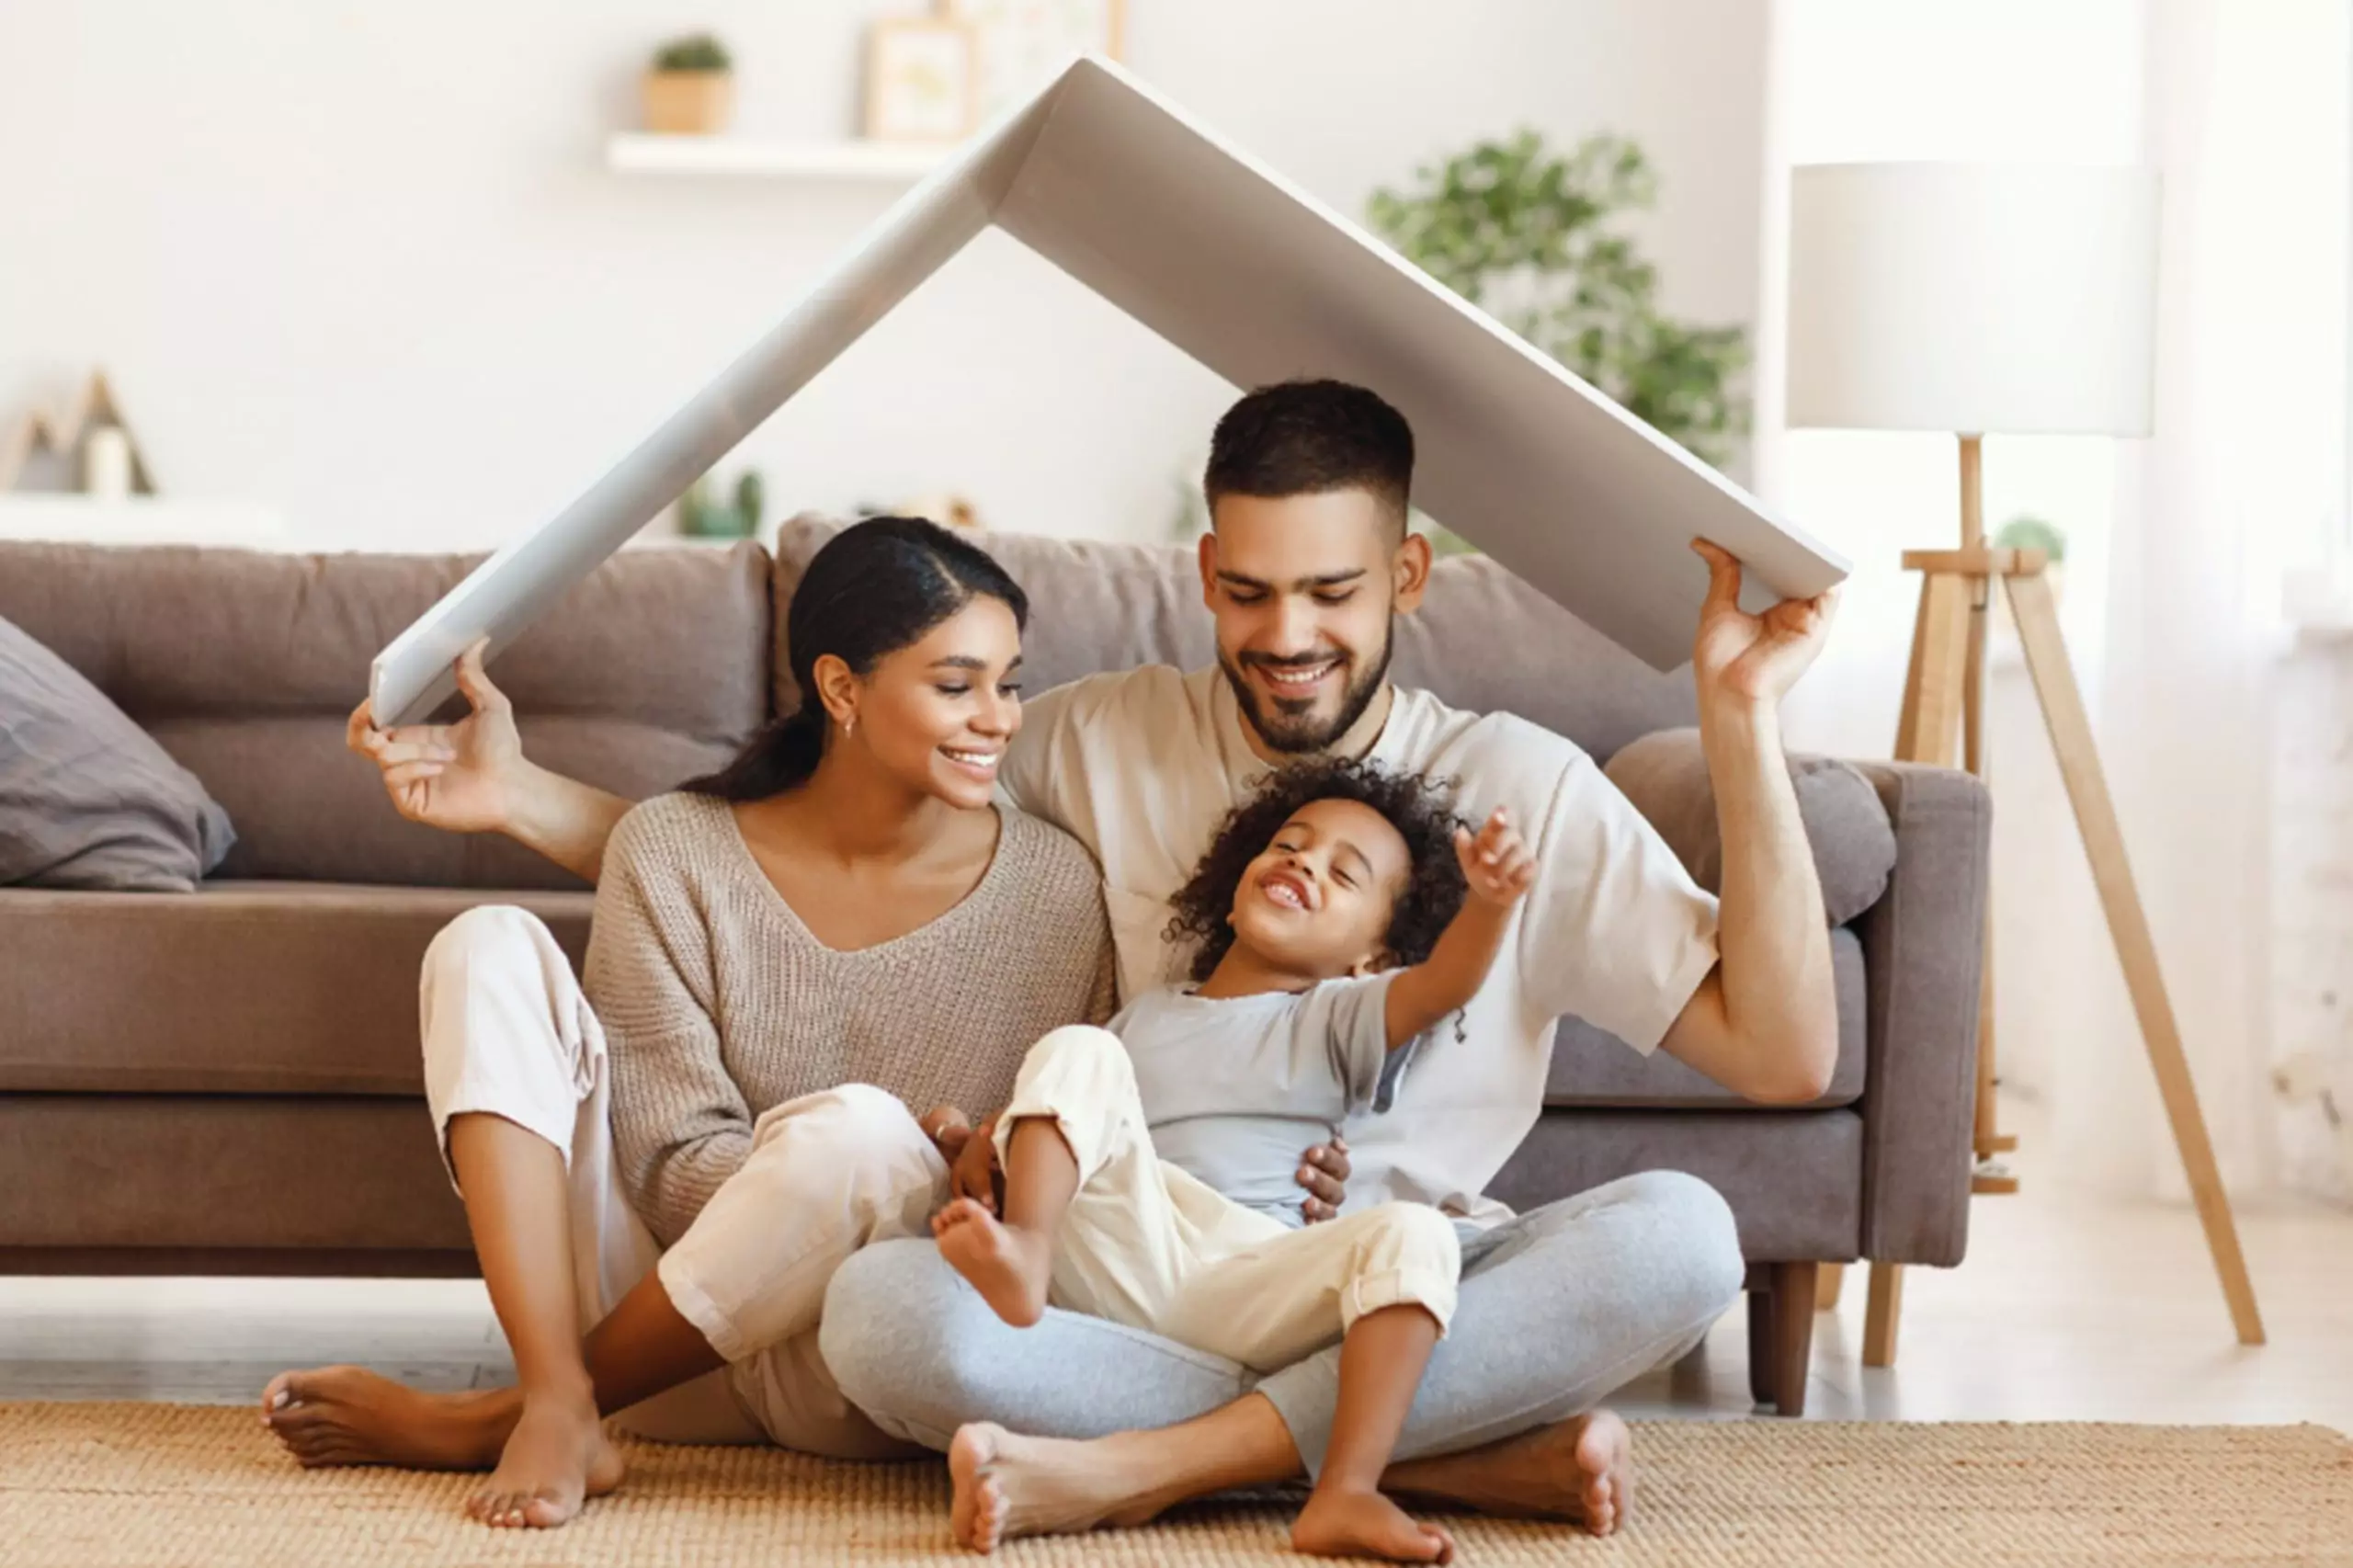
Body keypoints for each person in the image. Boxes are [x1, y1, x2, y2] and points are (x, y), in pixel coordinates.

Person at [323, 378, 1838, 1543]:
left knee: (1683, 1239)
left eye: (1332, 593)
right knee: (884, 1320)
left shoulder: (1521, 787)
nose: (1286, 633)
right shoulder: (1095, 737)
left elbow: (1781, 1055)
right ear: (1204, 569)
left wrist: (1740, 719)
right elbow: (823, 836)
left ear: (1413, 577)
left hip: (1396, 1278)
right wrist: (523, 801)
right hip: (1128, 1288)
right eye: (1249, 590)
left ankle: (1154, 1468)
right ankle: (1416, 1448)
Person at [259, 517, 1119, 1528]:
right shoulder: (672, 846)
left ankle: (517, 1412)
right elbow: (665, 1164)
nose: (998, 718)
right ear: (842, 689)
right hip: (664, 1334)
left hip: (859, 1353)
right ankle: (555, 1387)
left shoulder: (1056, 887)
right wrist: (794, 1182)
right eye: (955, 683)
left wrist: (948, 1163)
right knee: (484, 942)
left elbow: (1054, 1156)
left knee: (861, 1134)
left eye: (1009, 682)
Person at [929, 761, 1534, 1561]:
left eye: (1342, 874)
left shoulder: (1333, 1018)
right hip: (1120, 1251)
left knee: (1414, 1235)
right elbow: (1064, 1116)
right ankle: (1026, 1255)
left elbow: (1445, 985)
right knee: (1078, 1047)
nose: (1303, 863)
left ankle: (1346, 1491)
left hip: (1243, 1270)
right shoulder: (1144, 1014)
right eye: (1289, 844)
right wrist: (971, 1142)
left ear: (1372, 956)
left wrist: (1490, 905)